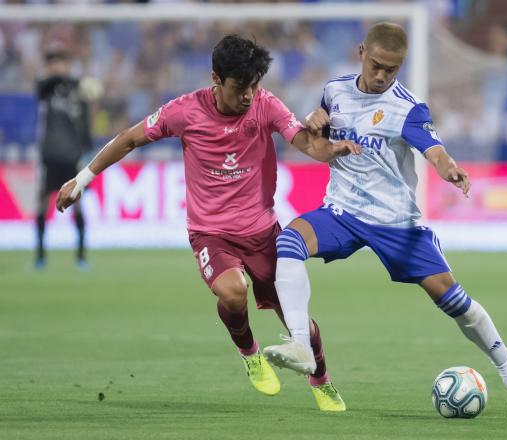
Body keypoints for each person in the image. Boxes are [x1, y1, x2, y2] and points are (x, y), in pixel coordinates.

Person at [55, 35, 360, 412]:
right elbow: (130, 139)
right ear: (216, 78)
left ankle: (322, 380)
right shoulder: (185, 111)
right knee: (232, 292)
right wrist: (82, 179)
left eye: (254, 85)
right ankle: (250, 354)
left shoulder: (266, 105)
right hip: (210, 233)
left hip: (263, 231)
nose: (248, 95)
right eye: (239, 87)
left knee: (296, 315)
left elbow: (304, 142)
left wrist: (330, 149)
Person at [264, 22, 507, 417]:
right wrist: (316, 124)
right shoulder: (335, 91)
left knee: (456, 303)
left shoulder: (407, 107)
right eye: (378, 65)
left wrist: (448, 168)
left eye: (392, 69)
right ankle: (300, 345)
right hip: (344, 211)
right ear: (362, 52)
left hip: (397, 224)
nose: (383, 75)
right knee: (289, 241)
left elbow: (434, 150)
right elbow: (321, 140)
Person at [35, 48, 93, 270]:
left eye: (59, 63)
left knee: (77, 204)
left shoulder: (77, 92)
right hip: (49, 154)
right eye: (52, 64)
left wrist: (87, 151)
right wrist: (60, 75)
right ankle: (40, 255)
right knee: (42, 202)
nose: (55, 67)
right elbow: (41, 87)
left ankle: (81, 256)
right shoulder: (46, 88)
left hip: (72, 156)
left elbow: (85, 124)